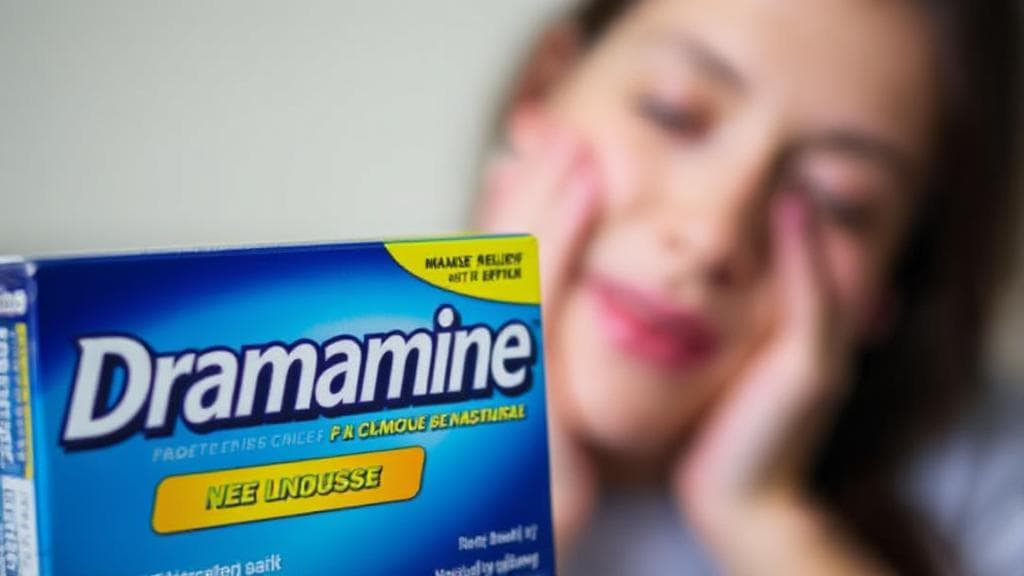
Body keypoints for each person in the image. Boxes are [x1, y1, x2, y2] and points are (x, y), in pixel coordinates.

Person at [475, 0, 1020, 574]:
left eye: (837, 199)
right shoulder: (370, 373)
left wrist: (763, 516)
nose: (714, 237)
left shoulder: (989, 477)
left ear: (897, 278)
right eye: (672, 112)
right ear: (543, 86)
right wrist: (495, 504)